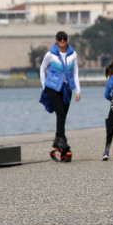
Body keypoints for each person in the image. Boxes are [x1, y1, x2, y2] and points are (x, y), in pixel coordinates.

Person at [39, 31, 81, 162]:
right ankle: (62, 140)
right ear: (56, 40)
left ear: (67, 40)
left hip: (67, 89)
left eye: (64, 38)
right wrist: (44, 86)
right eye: (60, 39)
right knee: (61, 114)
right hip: (53, 88)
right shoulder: (50, 54)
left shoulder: (73, 54)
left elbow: (75, 74)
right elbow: (42, 69)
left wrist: (78, 90)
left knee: (63, 115)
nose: (62, 40)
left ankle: (58, 139)